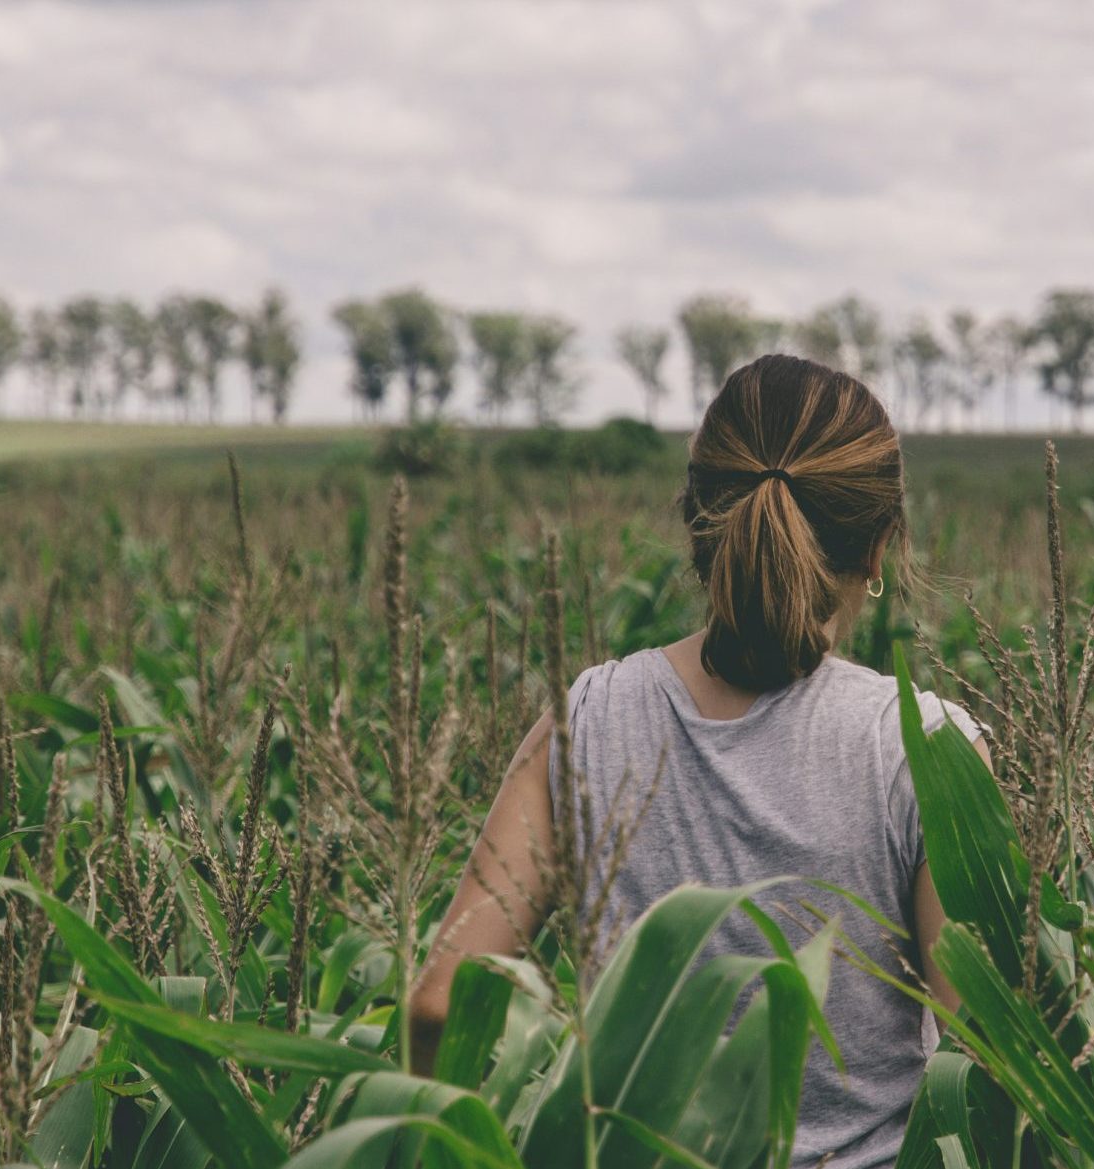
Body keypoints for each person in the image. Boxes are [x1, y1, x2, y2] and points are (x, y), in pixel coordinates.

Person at [408, 353, 989, 1168]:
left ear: (696, 521)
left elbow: (439, 1005)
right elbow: (982, 1058)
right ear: (880, 548)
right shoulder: (925, 748)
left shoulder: (586, 720)